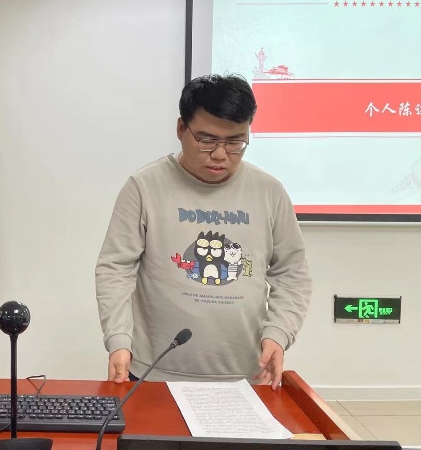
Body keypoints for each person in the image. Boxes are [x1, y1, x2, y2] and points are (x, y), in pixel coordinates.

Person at [95, 74, 311, 389]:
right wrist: (118, 339)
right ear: (181, 129)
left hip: (247, 373)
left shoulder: (269, 192)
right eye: (207, 140)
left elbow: (292, 273)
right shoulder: (144, 187)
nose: (220, 154)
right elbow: (115, 268)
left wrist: (279, 333)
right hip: (154, 371)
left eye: (235, 142)